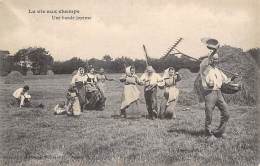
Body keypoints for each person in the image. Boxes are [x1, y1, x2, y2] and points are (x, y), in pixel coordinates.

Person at [200, 38, 237, 140]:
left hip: (218, 93)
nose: (215, 60)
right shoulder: (204, 67)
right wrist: (215, 50)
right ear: (209, 59)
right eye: (213, 59)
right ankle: (208, 134)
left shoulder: (218, 70)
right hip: (209, 93)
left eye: (216, 59)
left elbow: (225, 81)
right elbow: (207, 60)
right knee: (209, 114)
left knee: (226, 113)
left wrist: (233, 78)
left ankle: (220, 131)